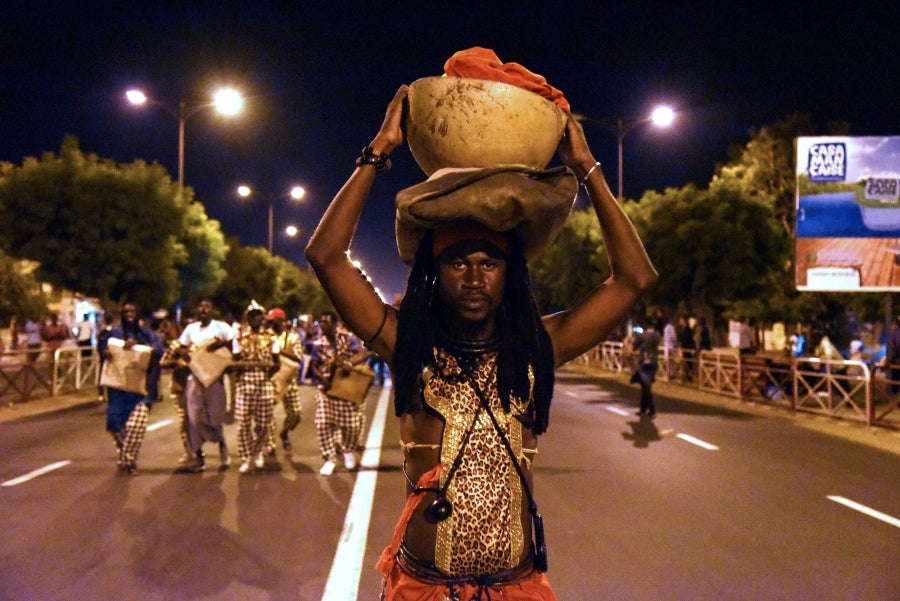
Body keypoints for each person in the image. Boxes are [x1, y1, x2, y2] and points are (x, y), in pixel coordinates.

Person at [305, 84, 656, 599]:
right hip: (422, 590)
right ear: (434, 274)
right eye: (458, 262)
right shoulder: (408, 346)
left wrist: (587, 168)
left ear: (508, 275)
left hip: (515, 588)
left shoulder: (539, 345)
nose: (474, 277)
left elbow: (633, 280)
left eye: (489, 263)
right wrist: (378, 151)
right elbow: (326, 257)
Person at [97, 303, 164, 474]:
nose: (129, 314)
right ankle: (125, 454)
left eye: (132, 311)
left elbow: (159, 352)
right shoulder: (114, 334)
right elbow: (103, 349)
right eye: (125, 311)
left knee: (137, 426)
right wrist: (108, 352)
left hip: (142, 390)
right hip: (118, 389)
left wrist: (138, 348)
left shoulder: (148, 335)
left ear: (138, 314)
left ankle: (128, 461)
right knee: (114, 424)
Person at [172, 299, 234, 472]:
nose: (203, 309)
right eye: (201, 307)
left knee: (215, 416)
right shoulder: (191, 329)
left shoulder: (222, 328)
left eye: (207, 307)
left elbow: (235, 346)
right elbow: (179, 345)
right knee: (193, 418)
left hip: (215, 378)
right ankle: (198, 456)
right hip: (195, 377)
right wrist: (181, 350)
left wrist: (220, 344)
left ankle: (221, 443)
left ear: (213, 310)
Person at [308, 312, 371, 476]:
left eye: (326, 322)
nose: (323, 325)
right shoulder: (317, 343)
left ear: (336, 324)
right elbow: (314, 365)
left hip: (345, 386)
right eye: (321, 322)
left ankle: (348, 450)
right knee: (322, 423)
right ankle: (329, 458)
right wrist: (321, 378)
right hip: (326, 389)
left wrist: (350, 363)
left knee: (351, 425)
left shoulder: (348, 338)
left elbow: (361, 354)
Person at [231, 301, 280, 473]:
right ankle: (245, 457)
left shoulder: (271, 337)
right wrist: (244, 366)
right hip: (244, 382)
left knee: (263, 423)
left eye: (258, 314)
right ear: (247, 317)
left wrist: (267, 370)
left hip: (264, 382)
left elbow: (276, 363)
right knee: (243, 422)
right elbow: (235, 361)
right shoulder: (238, 337)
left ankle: (257, 452)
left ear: (262, 317)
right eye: (252, 315)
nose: (255, 318)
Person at [266, 307, 305, 452]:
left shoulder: (292, 337)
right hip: (272, 379)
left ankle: (285, 433)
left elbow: (298, 357)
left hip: (289, 379)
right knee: (267, 413)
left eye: (272, 320)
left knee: (296, 413)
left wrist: (279, 351)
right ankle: (270, 444)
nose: (269, 323)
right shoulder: (266, 336)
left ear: (281, 321)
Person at [631, 321, 661, 416]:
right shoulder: (657, 335)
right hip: (653, 362)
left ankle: (652, 409)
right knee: (645, 386)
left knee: (646, 387)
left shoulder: (642, 335)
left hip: (644, 362)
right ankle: (643, 409)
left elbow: (634, 346)